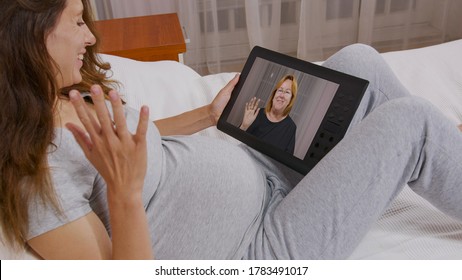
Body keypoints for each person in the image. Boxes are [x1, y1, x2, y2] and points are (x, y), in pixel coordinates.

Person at [1, 0, 461, 260]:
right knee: (412, 123)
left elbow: (140, 141)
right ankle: (440, 144)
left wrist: (210, 114)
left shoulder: (67, 98)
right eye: (78, 22)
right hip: (264, 244)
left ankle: (450, 151)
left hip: (265, 168)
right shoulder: (35, 175)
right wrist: (124, 192)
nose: (89, 37)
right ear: (29, 38)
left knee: (358, 61)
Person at [240, 75, 298, 154]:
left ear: (291, 100)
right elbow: (236, 144)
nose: (281, 95)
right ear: (274, 94)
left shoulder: (290, 127)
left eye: (287, 92)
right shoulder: (256, 113)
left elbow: (285, 163)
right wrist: (244, 126)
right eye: (280, 90)